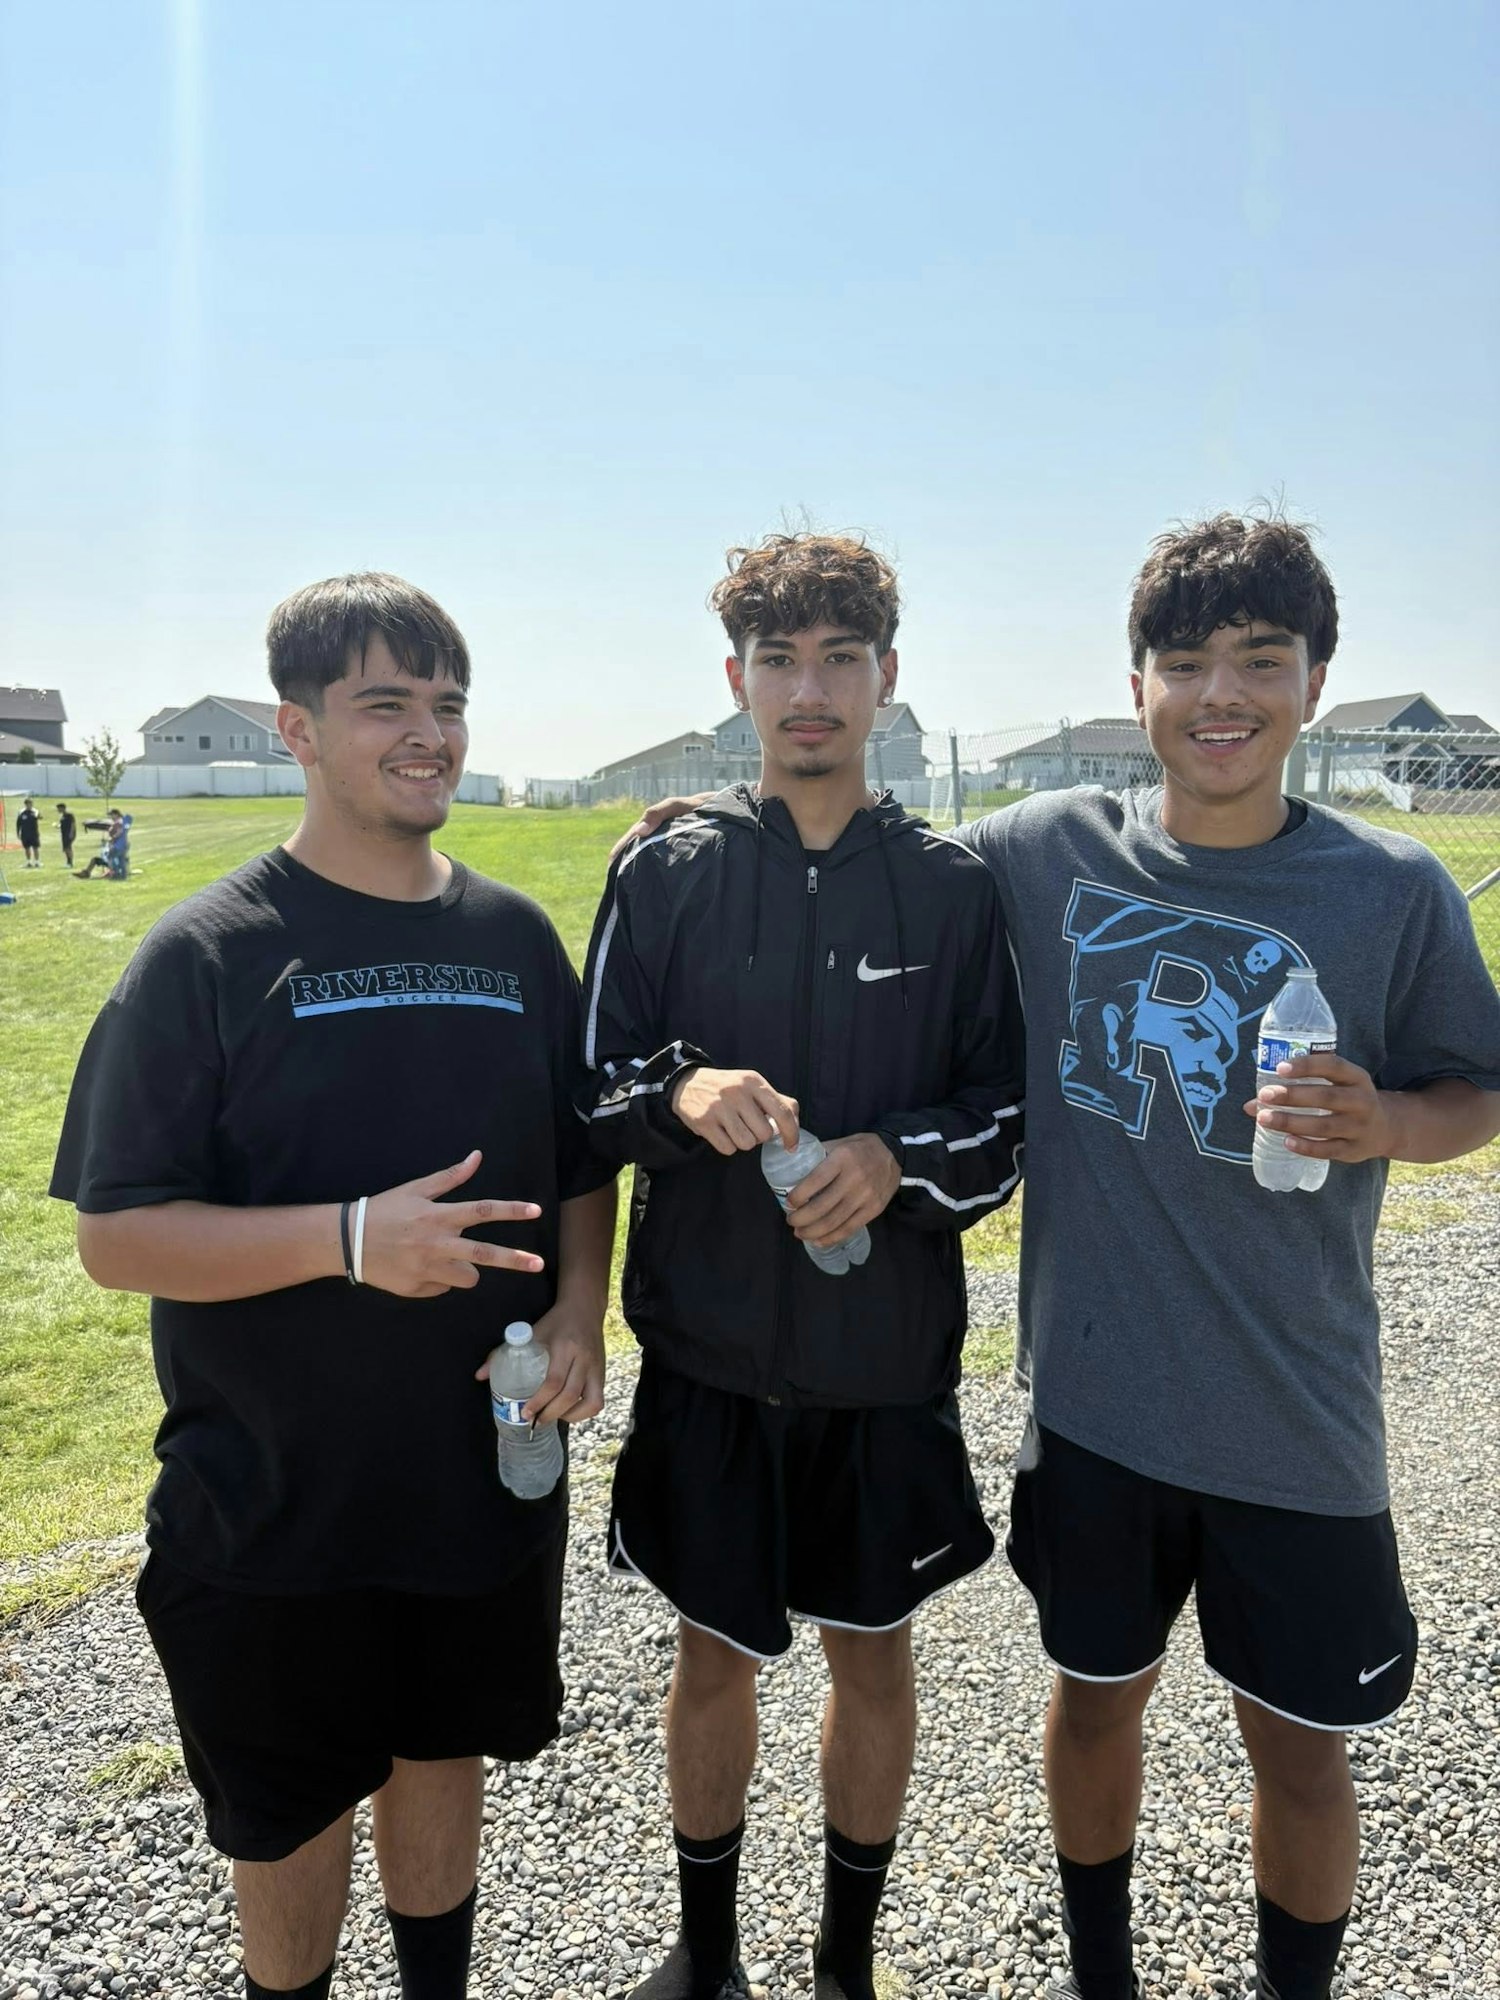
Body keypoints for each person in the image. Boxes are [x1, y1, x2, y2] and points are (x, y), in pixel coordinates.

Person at [624, 514, 1500, 2000]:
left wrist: (1397, 1120)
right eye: (1185, 662)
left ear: (1315, 679)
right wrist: (713, 815)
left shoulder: (1394, 888)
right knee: (1096, 1707)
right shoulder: (1043, 850)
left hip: (1302, 1415)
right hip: (1095, 1408)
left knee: (1302, 1749)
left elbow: (1476, 1092)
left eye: (1260, 663)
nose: (1220, 694)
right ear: (1140, 681)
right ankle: (1105, 1980)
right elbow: (847, 841)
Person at [51, 571, 618, 2000]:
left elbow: (582, 1162)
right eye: (385, 705)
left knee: (443, 1756)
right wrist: (351, 1238)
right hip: (272, 1505)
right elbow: (117, 1237)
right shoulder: (208, 955)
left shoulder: (512, 943)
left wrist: (576, 1311)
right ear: (299, 728)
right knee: (292, 1813)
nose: (427, 734)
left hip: (478, 1484)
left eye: (444, 704)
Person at [582, 532, 1024, 2000]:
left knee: (872, 1660)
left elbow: (1007, 1118)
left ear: (889, 680)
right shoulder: (665, 864)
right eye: (780, 660)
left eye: (842, 657)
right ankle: (705, 1960)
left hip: (880, 1367)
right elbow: (591, 1087)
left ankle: (845, 1964)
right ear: (735, 682)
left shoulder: (956, 889)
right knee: (712, 1657)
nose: (811, 689)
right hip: (707, 1359)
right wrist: (684, 1095)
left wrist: (898, 1164)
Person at [74, 807, 131, 879]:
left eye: (112, 815)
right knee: (94, 859)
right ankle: (86, 873)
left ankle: (114, 874)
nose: (111, 817)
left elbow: (120, 833)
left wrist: (113, 838)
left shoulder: (119, 822)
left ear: (116, 814)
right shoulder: (116, 823)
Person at [16, 795, 40, 866]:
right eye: (28, 803)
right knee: (27, 848)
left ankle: (37, 862)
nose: (29, 805)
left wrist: (38, 816)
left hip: (34, 833)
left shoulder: (35, 811)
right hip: (25, 834)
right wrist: (18, 833)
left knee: (35, 848)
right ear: (25, 804)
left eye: (31, 803)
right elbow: (18, 824)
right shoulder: (21, 812)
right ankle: (28, 862)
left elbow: (40, 817)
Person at [56, 800, 77, 867]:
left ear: (63, 808)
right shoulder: (62, 816)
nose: (58, 810)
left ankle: (70, 862)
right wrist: (58, 826)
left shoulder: (69, 815)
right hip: (64, 834)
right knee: (65, 848)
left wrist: (71, 833)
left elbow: (73, 824)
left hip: (69, 834)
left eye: (59, 808)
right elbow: (62, 825)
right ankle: (68, 862)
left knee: (68, 848)